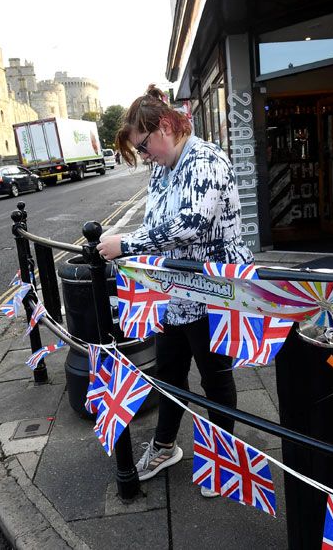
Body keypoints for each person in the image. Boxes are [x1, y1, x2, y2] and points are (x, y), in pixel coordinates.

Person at [97, 85, 253, 497]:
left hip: (214, 291)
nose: (146, 156)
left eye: (145, 146)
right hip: (175, 293)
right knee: (169, 374)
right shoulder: (164, 168)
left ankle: (222, 463)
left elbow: (190, 223)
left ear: (166, 126)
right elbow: (155, 222)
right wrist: (132, 240)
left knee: (215, 379)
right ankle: (166, 447)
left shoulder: (206, 159)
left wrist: (126, 245)